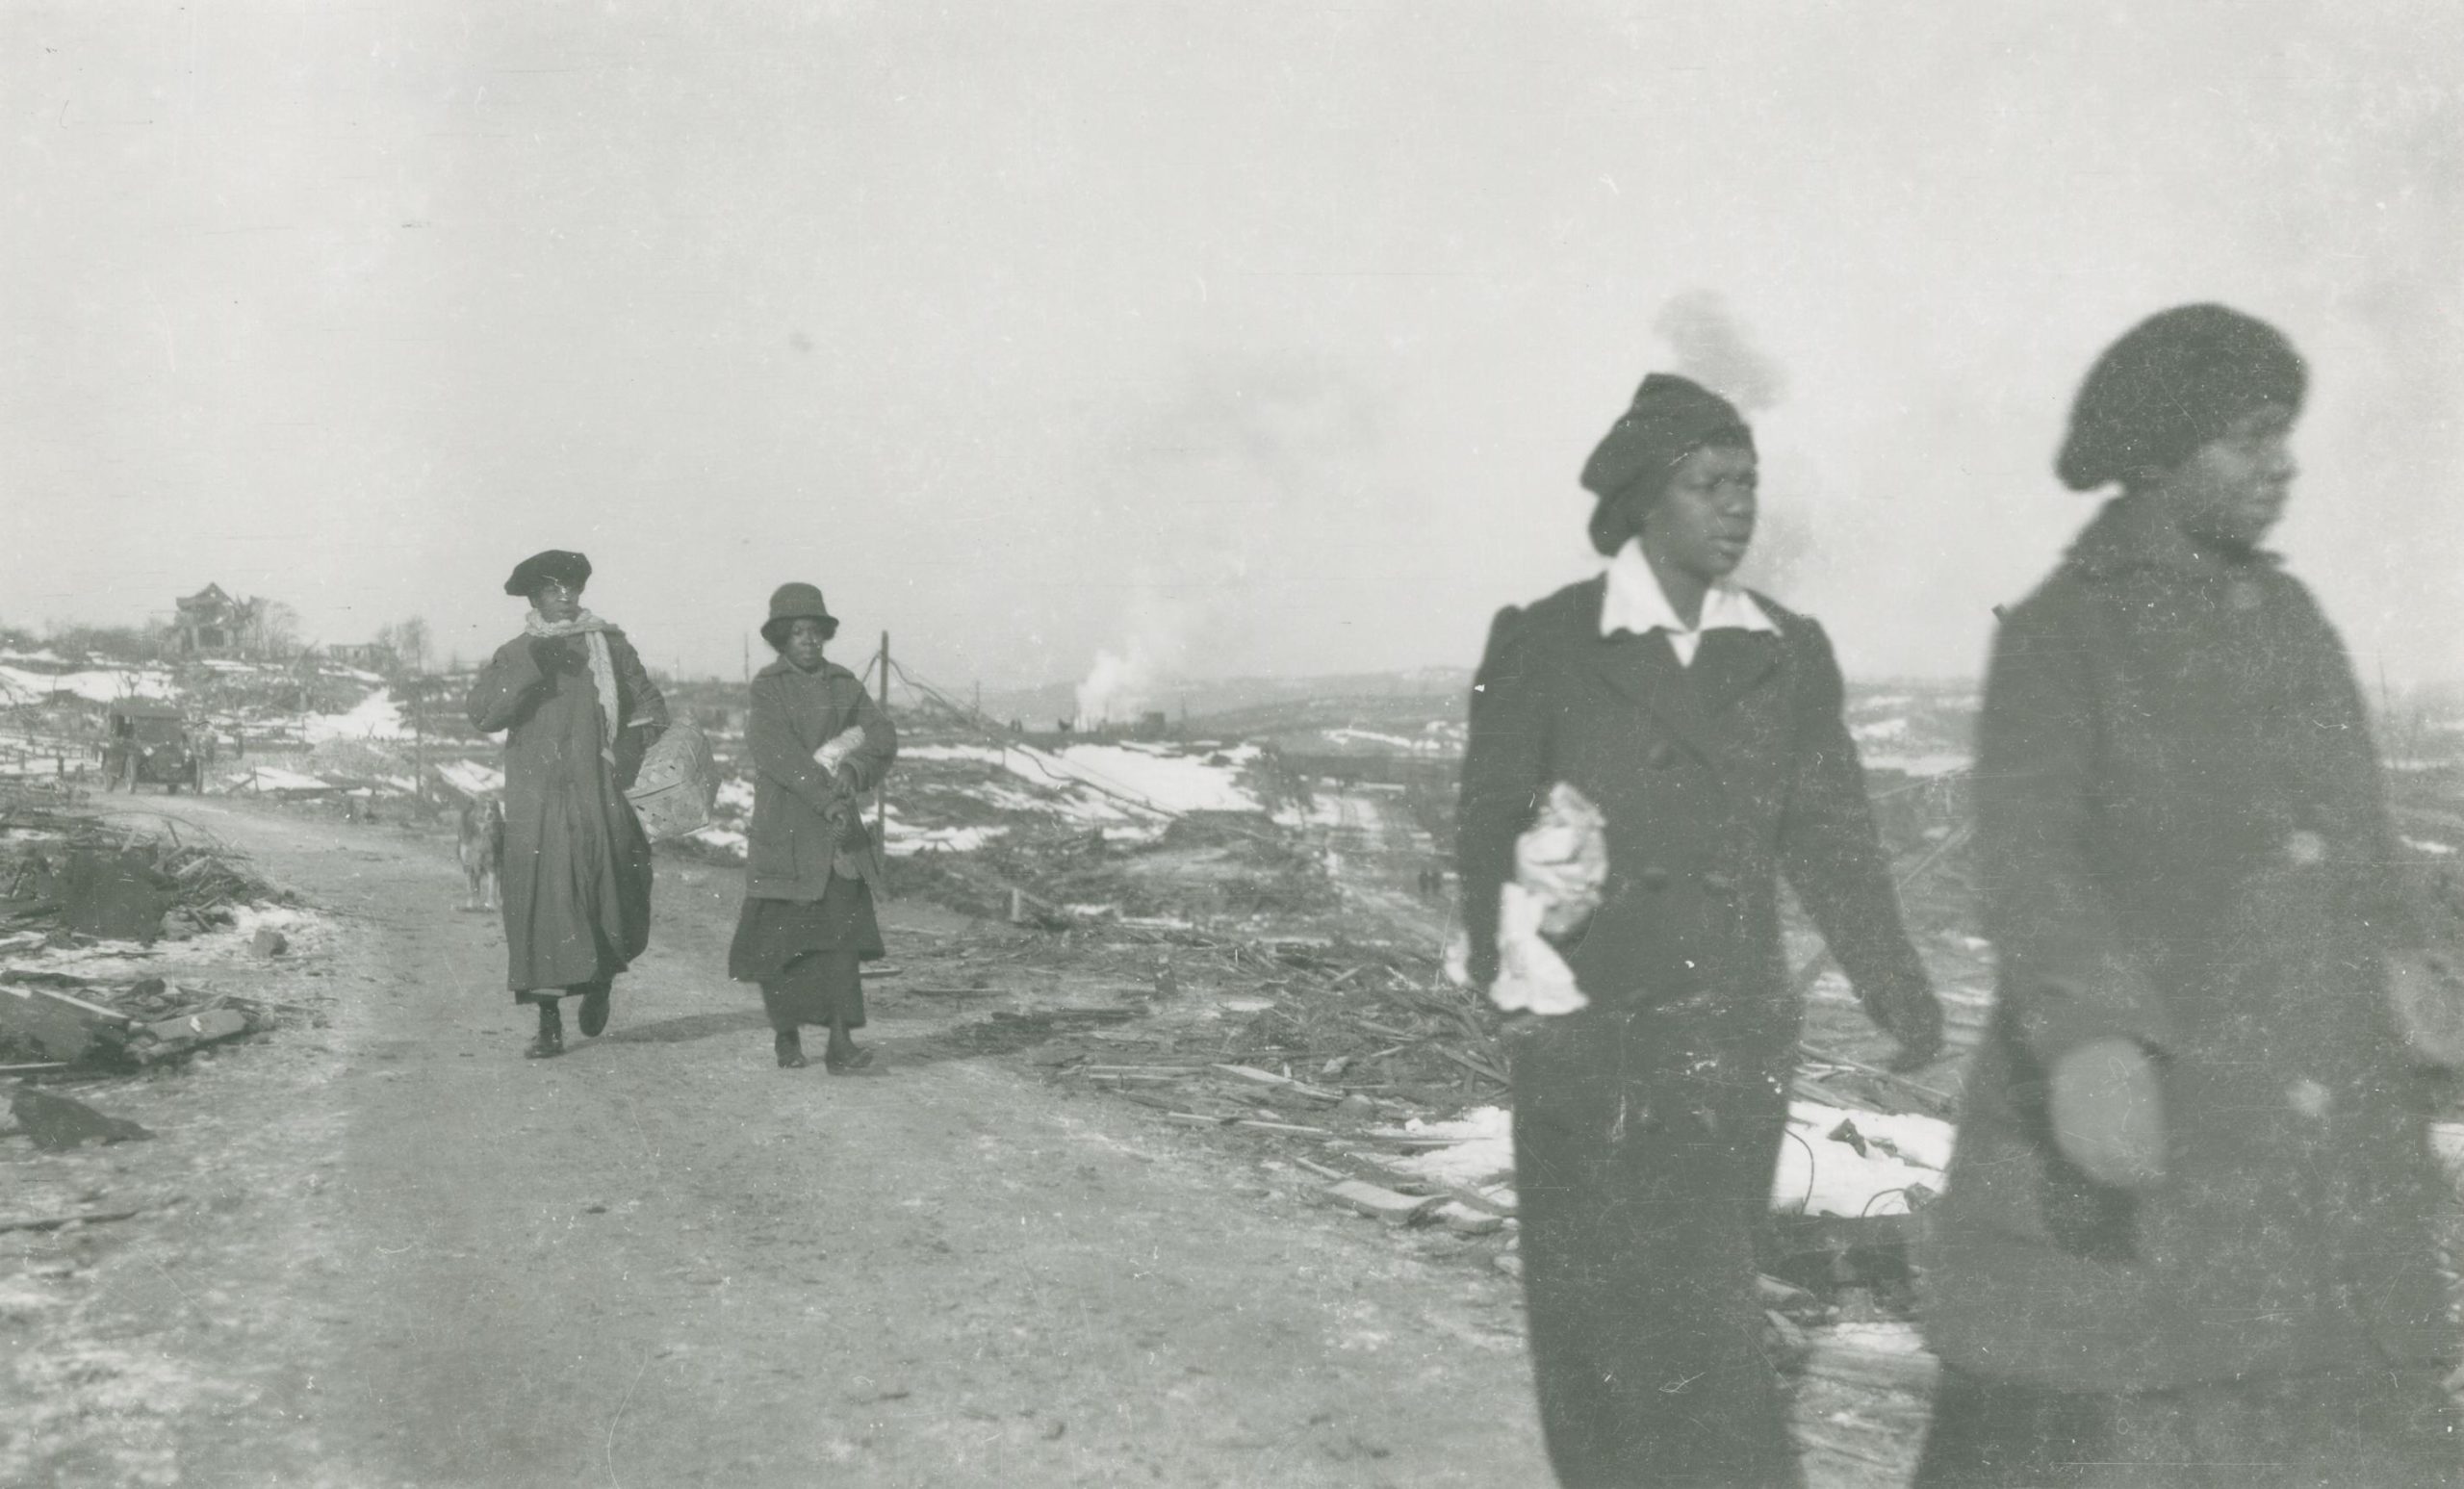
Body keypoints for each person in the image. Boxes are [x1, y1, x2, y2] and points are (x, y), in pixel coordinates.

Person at [1913, 304, 2464, 1487]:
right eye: (2252, 436)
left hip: (2316, 1134)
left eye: (2287, 433)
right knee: (2108, 1424)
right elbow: (2030, 862)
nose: (2285, 463)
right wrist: (2091, 1038)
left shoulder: (2295, 620)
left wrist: (2405, 962)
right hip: (2146, 1121)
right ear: (2160, 452)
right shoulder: (2064, 634)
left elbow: (2355, 837)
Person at [1455, 372, 1944, 1488]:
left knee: (1702, 1314)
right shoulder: (1544, 639)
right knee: (1585, 1319)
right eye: (1710, 483)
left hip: (1725, 1037)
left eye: (1749, 484)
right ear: (1641, 500)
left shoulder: (1786, 648)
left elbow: (1832, 838)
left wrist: (1896, 985)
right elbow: (1487, 822)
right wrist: (1507, 973)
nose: (1739, 506)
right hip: (1581, 1031)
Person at [466, 550, 668, 1058]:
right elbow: (485, 714)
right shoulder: (516, 651)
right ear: (534, 597)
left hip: (598, 788)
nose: (565, 595)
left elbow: (649, 709)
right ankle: (549, 1021)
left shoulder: (610, 645)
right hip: (537, 797)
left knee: (613, 884)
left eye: (572, 586)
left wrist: (623, 757)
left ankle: (600, 985)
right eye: (553, 588)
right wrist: (534, 666)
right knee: (542, 902)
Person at [727, 583, 897, 1071]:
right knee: (782, 943)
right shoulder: (768, 687)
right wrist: (826, 799)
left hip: (837, 838)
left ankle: (840, 1045)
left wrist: (856, 769)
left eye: (814, 631)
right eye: (797, 632)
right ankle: (786, 1035)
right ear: (781, 638)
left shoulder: (845, 684)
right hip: (786, 827)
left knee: (839, 941)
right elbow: (776, 753)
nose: (808, 640)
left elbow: (881, 733)